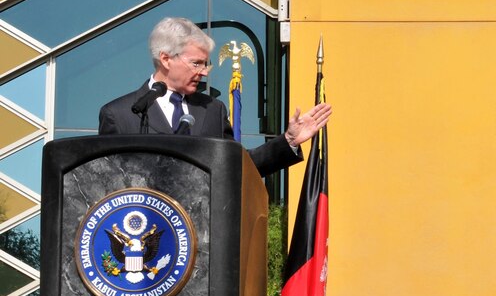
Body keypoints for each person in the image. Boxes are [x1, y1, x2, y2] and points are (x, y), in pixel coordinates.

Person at [98, 17, 331, 178]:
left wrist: (288, 140)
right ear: (166, 59)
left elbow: (238, 167)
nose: (204, 71)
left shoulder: (212, 110)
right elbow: (106, 183)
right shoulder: (120, 114)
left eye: (206, 63)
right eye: (196, 63)